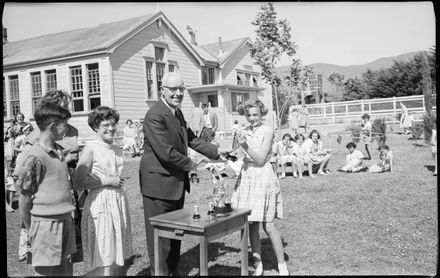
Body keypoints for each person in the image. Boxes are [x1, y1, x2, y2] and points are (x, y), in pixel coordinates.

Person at [139, 72, 230, 276]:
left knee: (174, 235)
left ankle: (173, 270)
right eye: (173, 89)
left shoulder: (176, 113)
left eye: (181, 89)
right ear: (162, 90)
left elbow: (191, 139)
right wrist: (193, 163)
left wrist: (216, 151)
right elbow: (166, 153)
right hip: (158, 186)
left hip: (175, 184)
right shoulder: (155, 115)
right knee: (159, 240)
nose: (178, 93)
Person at [17, 102, 75, 276]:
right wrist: (31, 227)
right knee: (47, 273)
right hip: (45, 225)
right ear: (52, 126)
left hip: (65, 219)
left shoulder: (58, 151)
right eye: (64, 125)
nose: (67, 129)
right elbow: (25, 198)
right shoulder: (34, 157)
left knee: (65, 271)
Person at [232, 99, 289, 276]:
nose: (251, 118)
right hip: (248, 176)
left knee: (268, 225)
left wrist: (244, 145)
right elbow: (233, 153)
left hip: (263, 176)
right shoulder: (242, 131)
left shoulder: (267, 130)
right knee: (252, 224)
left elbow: (260, 159)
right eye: (248, 115)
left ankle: (281, 265)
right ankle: (258, 264)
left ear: (262, 114)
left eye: (255, 114)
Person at [73, 106, 132, 276]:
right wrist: (108, 181)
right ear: (96, 127)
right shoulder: (91, 148)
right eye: (105, 125)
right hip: (100, 203)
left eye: (113, 124)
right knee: (103, 252)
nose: (111, 128)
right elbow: (78, 182)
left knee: (115, 252)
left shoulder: (117, 149)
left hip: (117, 202)